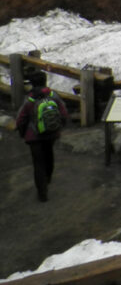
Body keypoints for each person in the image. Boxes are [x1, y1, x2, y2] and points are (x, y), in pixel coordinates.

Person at [15, 70, 70, 202]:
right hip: (51, 133)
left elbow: (21, 119)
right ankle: (48, 177)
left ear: (32, 84)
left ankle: (42, 192)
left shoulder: (29, 99)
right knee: (49, 155)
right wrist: (59, 127)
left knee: (38, 163)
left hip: (33, 136)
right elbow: (63, 113)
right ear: (45, 81)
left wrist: (22, 133)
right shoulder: (53, 95)